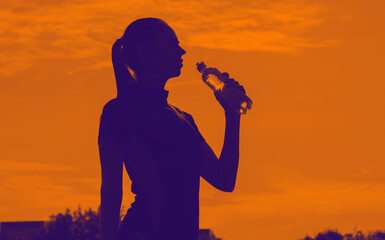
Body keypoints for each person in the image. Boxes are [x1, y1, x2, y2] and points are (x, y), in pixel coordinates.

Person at [98, 18, 244, 240]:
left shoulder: (184, 119)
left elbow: (224, 180)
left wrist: (232, 115)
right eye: (171, 44)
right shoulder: (118, 112)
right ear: (144, 52)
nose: (182, 51)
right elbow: (111, 194)